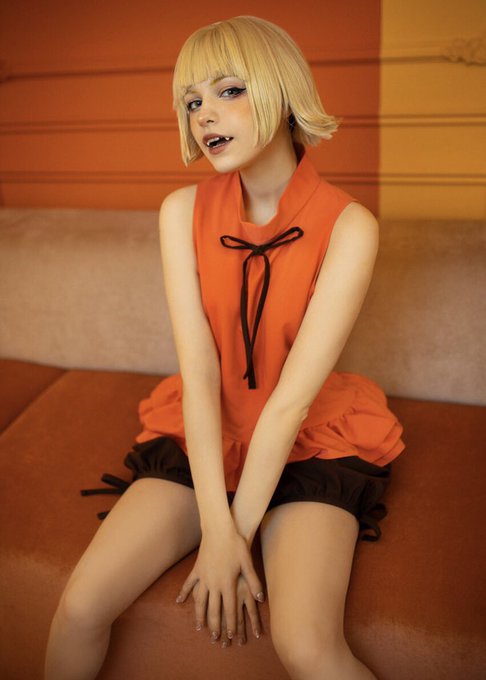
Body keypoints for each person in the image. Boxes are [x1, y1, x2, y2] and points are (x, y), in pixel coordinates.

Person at [45, 15, 404, 680]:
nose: (204, 114)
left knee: (306, 647)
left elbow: (290, 405)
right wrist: (218, 531)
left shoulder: (350, 225)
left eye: (228, 90)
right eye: (192, 101)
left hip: (309, 437)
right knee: (80, 606)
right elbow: (200, 373)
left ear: (281, 92)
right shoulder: (180, 212)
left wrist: (233, 534)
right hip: (205, 428)